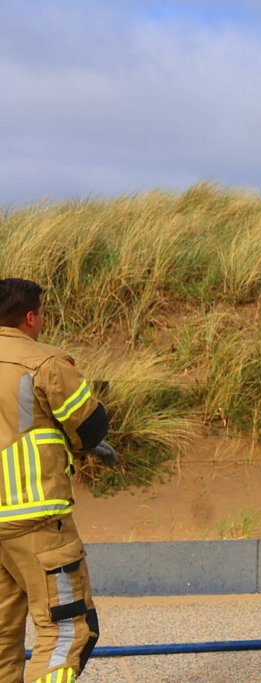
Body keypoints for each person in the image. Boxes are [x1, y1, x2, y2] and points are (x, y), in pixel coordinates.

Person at [0, 278, 117, 683]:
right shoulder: (43, 362)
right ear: (30, 317)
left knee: (2, 637)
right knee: (68, 630)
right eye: (42, 315)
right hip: (35, 517)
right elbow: (90, 426)